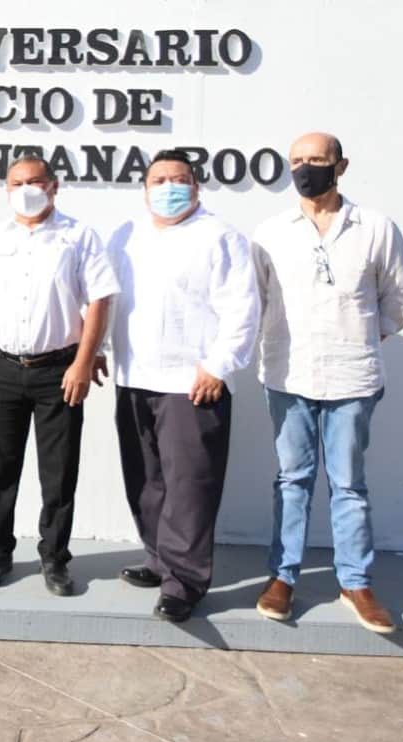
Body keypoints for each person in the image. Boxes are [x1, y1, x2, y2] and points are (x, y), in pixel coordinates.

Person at [251, 133, 403, 634]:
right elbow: (256, 303)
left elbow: (395, 306)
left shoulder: (376, 229)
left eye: (316, 160)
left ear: (340, 166)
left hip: (352, 377)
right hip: (288, 375)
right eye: (297, 160)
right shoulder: (271, 232)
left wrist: (353, 339)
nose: (305, 168)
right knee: (291, 481)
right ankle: (282, 577)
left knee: (349, 484)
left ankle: (355, 582)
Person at [107, 149, 260, 623]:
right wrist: (96, 351)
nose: (168, 186)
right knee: (147, 480)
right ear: (145, 187)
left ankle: (185, 582)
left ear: (195, 187)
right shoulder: (126, 235)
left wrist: (218, 365)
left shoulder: (220, 237)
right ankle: (158, 559)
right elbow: (105, 297)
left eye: (178, 179)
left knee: (189, 485)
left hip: (192, 383)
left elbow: (243, 308)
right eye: (159, 179)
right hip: (134, 376)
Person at [0, 157, 119, 596]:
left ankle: (55, 559)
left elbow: (101, 301)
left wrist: (84, 363)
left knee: (59, 470)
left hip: (58, 371)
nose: (25, 189)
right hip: (2, 370)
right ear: (6, 187)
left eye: (34, 181)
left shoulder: (78, 236)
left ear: (54, 186)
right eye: (16, 182)